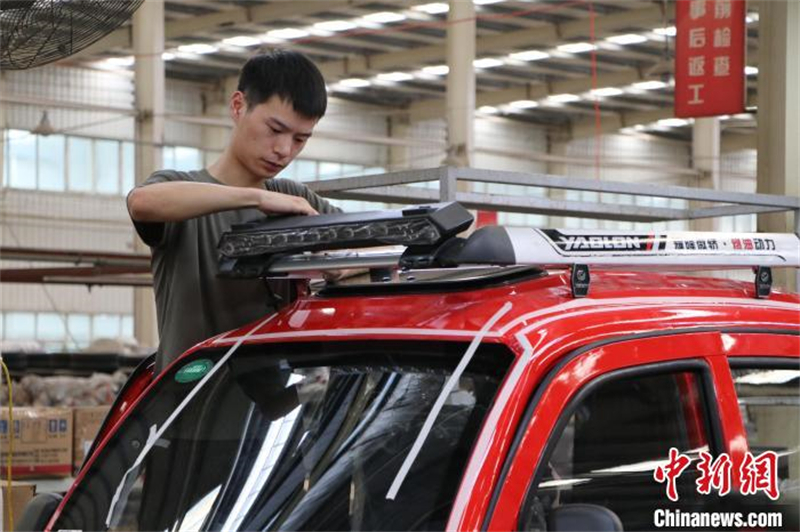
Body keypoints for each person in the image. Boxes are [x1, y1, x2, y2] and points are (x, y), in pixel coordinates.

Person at [127, 50, 341, 373]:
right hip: (189, 404)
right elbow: (142, 203)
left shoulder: (296, 199)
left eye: (300, 139)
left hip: (271, 414)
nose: (284, 150)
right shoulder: (182, 188)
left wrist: (340, 268)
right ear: (238, 106)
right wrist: (256, 198)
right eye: (275, 129)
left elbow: (368, 245)